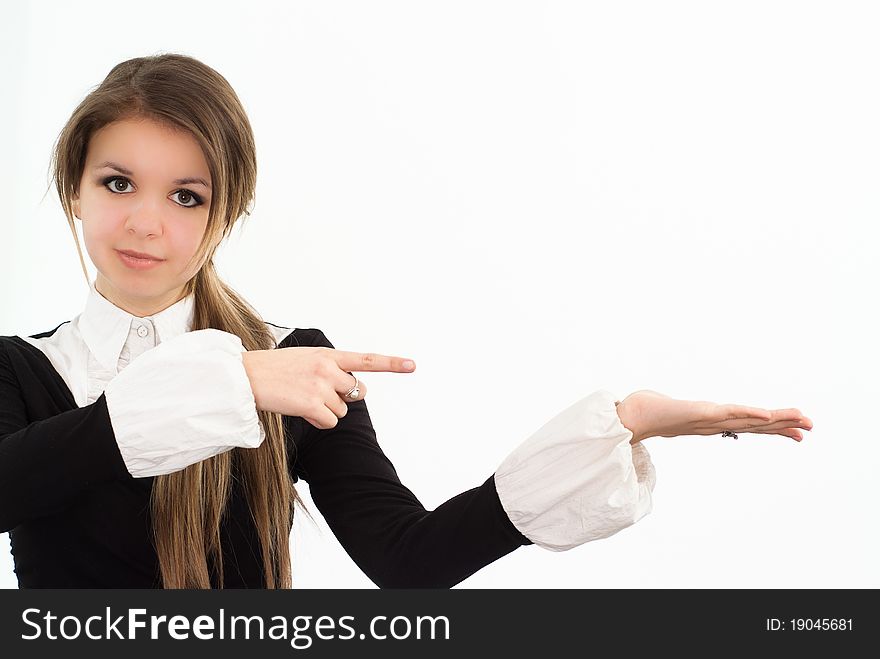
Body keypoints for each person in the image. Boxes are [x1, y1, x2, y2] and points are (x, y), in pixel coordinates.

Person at [0, 53, 813, 589]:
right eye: (117, 183)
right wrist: (230, 382)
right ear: (73, 187)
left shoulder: (297, 366)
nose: (146, 222)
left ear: (226, 214)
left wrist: (620, 427)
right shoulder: (18, 371)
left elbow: (409, 560)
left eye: (187, 195)